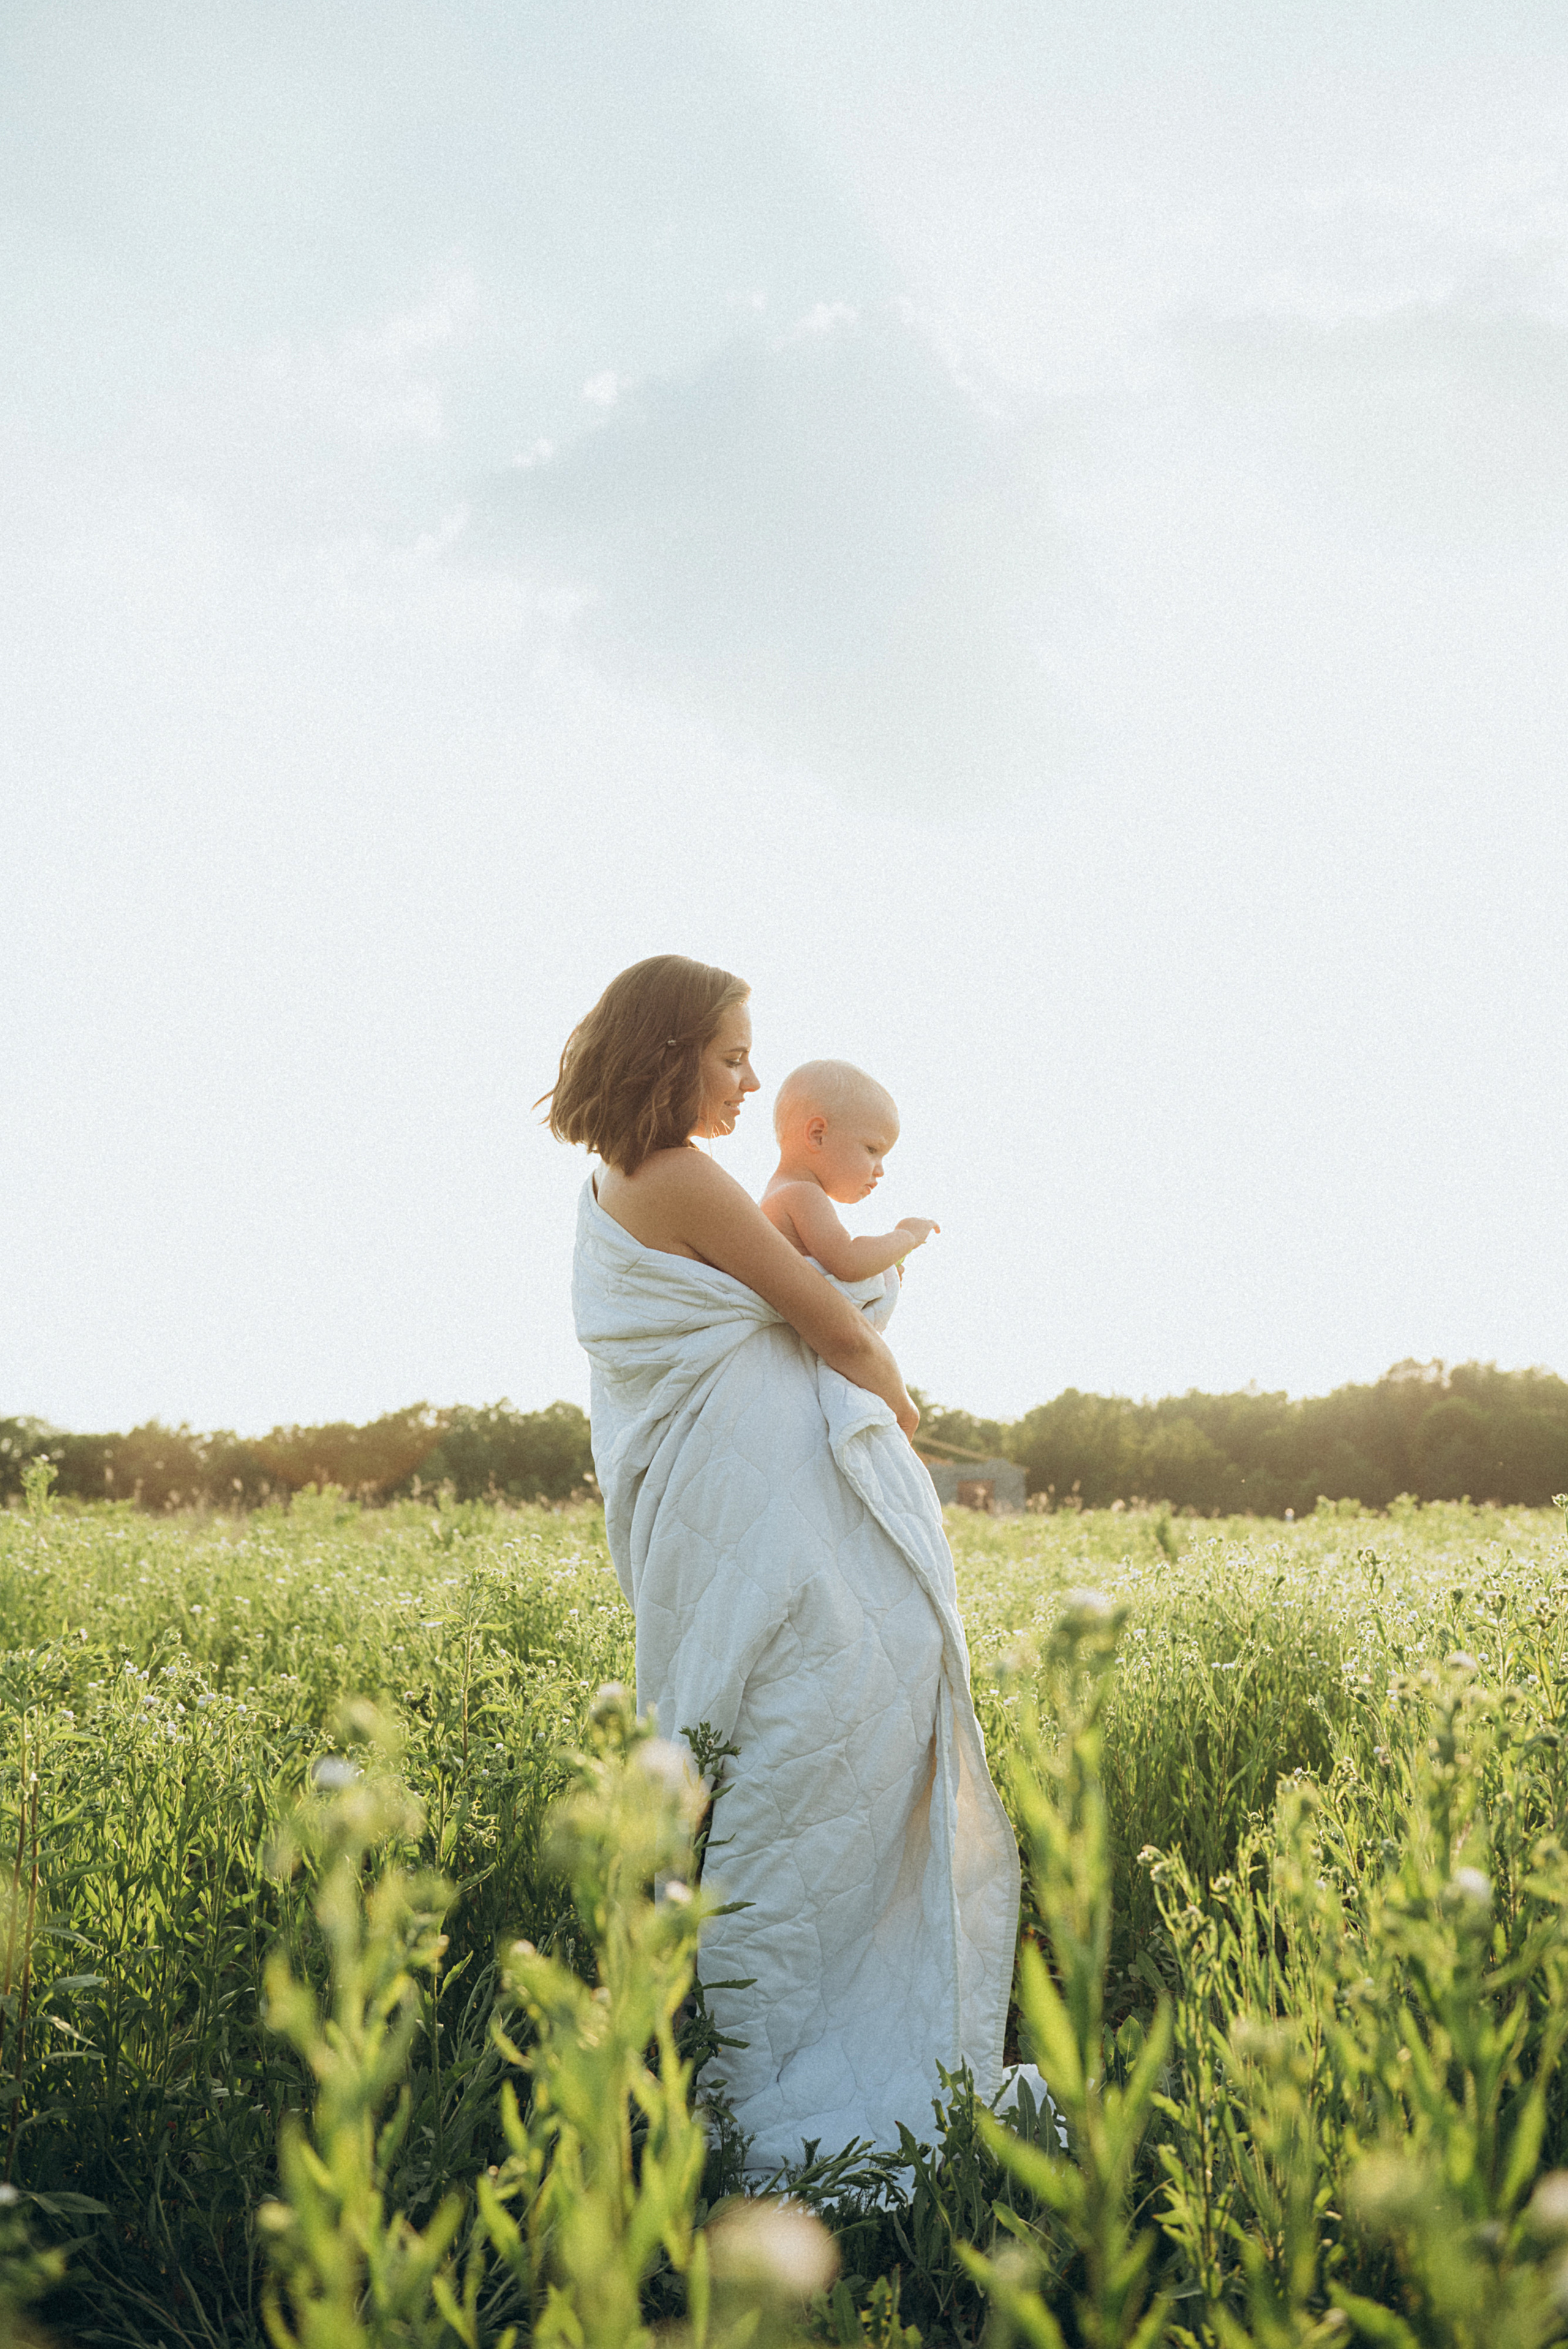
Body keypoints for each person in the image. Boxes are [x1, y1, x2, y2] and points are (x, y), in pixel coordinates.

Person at [546, 953, 1023, 2172]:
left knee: (784, 1739)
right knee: (808, 1733)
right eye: (729, 1054)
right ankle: (792, 2061)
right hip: (746, 1508)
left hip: (712, 1494)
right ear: (668, 1055)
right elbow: (818, 1313)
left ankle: (774, 2019)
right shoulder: (683, 1177)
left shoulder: (620, 1180)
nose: (748, 1078)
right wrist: (891, 1392)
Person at [761, 1058, 940, 1278]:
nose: (880, 1170)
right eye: (872, 1149)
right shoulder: (802, 1194)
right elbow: (849, 1262)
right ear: (818, 1135)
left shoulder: (780, 1193)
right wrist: (906, 1236)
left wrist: (882, 1270)